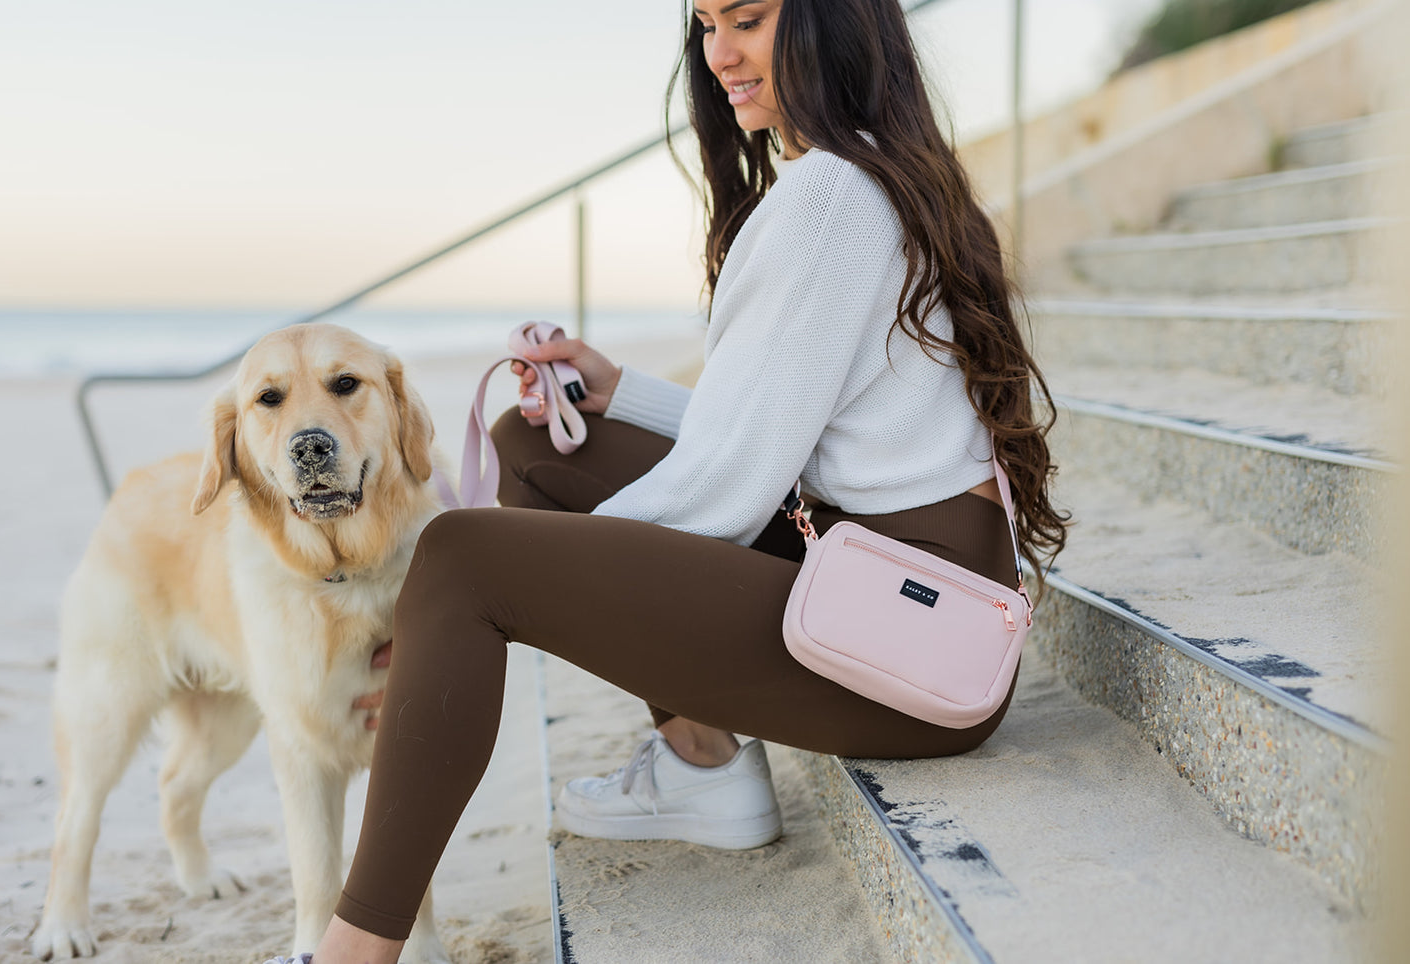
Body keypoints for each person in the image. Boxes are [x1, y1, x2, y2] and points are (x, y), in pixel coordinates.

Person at [265, 0, 1067, 960]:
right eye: (704, 27)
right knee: (535, 441)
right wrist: (618, 394)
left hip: (909, 651)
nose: (720, 54)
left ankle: (352, 950)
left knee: (459, 555)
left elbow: (725, 490)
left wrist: (464, 600)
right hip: (898, 584)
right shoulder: (867, 172)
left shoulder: (823, 199)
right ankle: (702, 765)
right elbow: (774, 439)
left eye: (750, 19)